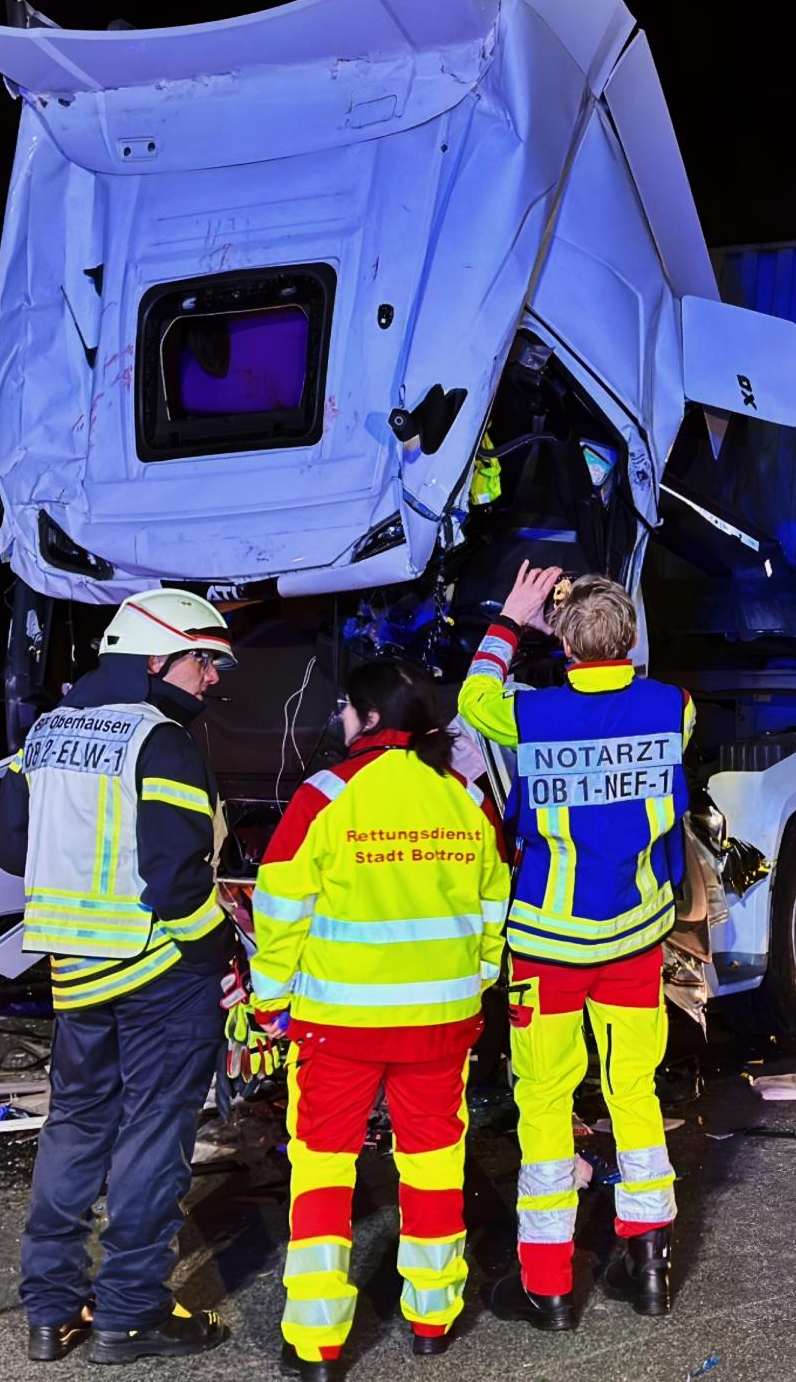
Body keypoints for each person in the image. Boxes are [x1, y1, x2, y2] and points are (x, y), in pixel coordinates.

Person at [0, 588, 240, 1364]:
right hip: (160, 972)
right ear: (157, 656)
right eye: (206, 661)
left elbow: (6, 847)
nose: (214, 679)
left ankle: (51, 1313)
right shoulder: (160, 741)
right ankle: (129, 1315)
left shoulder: (49, 733)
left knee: (75, 1129)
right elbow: (175, 879)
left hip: (78, 972)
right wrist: (222, 949)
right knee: (153, 1139)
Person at [246, 660, 510, 1374]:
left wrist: (269, 1002)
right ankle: (432, 1315)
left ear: (364, 715)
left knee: (324, 1170)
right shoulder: (463, 797)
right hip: (439, 1024)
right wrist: (474, 981)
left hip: (340, 1028)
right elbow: (495, 907)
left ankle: (318, 1342)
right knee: (433, 1164)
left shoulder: (325, 794)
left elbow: (278, 908)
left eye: (344, 711)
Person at [459, 562, 693, 1331]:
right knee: (634, 1094)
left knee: (547, 1104)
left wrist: (512, 617)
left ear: (561, 645)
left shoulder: (531, 716)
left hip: (548, 947)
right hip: (634, 940)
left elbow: (471, 699)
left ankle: (550, 1284)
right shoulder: (674, 710)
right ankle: (650, 1260)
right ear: (630, 640)